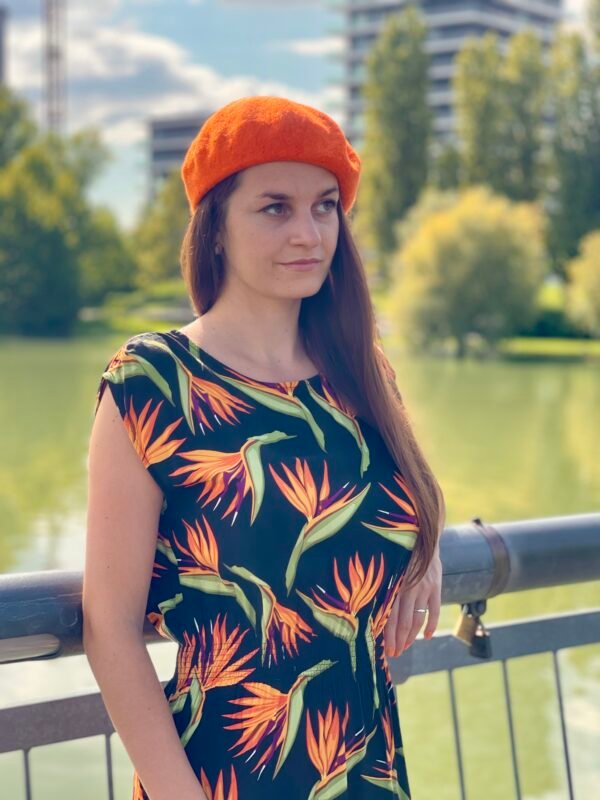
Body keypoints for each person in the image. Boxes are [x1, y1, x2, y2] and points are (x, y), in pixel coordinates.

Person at [83, 95, 445, 800]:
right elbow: (111, 629)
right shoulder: (154, 380)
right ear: (216, 226)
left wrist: (424, 546)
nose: (308, 232)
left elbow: (391, 493)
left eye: (325, 205)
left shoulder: (361, 370)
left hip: (367, 774)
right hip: (216, 776)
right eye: (275, 207)